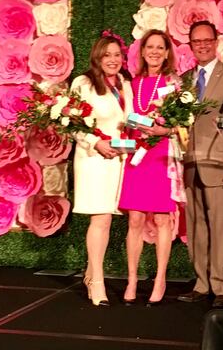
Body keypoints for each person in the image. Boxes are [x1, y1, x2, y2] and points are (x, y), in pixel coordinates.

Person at [177, 20, 223, 309]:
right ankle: (201, 283)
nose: (203, 45)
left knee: (222, 226)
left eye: (207, 40)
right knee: (197, 226)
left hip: (222, 164)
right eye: (197, 42)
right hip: (192, 163)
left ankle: (222, 286)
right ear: (191, 45)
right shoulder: (184, 80)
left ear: (216, 40)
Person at [71, 32, 133, 306]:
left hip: (118, 159)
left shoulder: (125, 83)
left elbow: (130, 120)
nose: (112, 60)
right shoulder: (83, 83)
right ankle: (97, 283)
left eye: (117, 55)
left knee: (109, 219)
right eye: (107, 55)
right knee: (101, 220)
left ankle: (90, 273)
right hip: (93, 160)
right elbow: (72, 123)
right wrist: (96, 142)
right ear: (97, 57)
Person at [118, 29, 179, 307]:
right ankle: (132, 279)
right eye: (149, 47)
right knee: (135, 220)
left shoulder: (174, 84)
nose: (154, 52)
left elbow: (180, 124)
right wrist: (137, 126)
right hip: (137, 154)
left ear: (167, 53)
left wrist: (162, 129)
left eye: (160, 47)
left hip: (161, 155)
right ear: (142, 52)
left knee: (163, 219)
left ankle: (160, 279)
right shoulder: (131, 84)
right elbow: (123, 119)